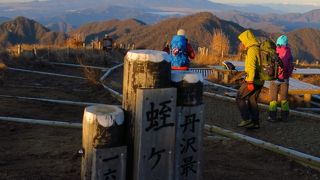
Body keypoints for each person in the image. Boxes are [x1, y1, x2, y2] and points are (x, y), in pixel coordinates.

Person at [236, 30, 265, 129]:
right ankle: (255, 123)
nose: (242, 43)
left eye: (243, 41)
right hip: (260, 79)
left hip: (253, 80)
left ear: (247, 40)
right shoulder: (258, 48)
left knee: (239, 97)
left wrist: (250, 82)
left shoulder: (252, 50)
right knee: (252, 100)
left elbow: (251, 67)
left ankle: (246, 119)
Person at [268, 35, 294, 122]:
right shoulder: (289, 52)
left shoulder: (274, 51)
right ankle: (285, 117)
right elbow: (291, 65)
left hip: (275, 78)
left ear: (277, 42)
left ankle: (272, 117)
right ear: (286, 43)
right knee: (284, 99)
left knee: (273, 99)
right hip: (285, 79)